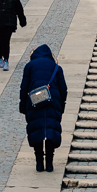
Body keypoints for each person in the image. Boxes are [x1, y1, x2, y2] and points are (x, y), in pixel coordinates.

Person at [18, 43, 66, 172]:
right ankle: (49, 163)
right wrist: (61, 105)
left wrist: (23, 105)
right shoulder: (56, 67)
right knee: (50, 129)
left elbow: (24, 88)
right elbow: (63, 89)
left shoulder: (29, 66)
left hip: (34, 102)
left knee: (37, 129)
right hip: (52, 102)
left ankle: (39, 162)